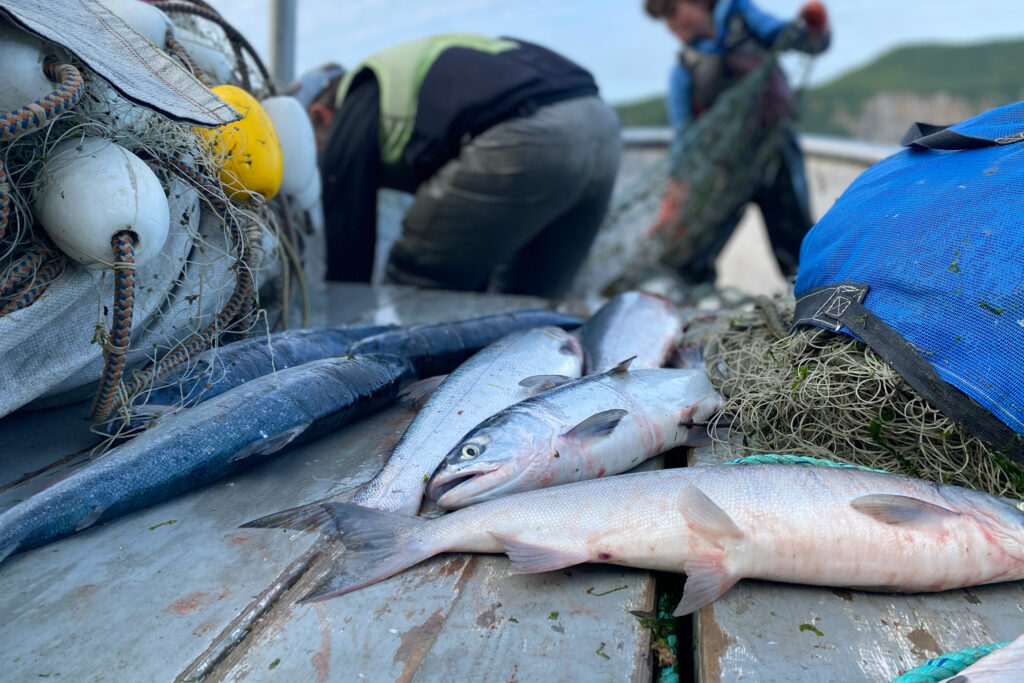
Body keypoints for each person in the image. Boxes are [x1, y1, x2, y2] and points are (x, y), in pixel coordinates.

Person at [293, 34, 622, 298]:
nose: (320, 154)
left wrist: (343, 320)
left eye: (311, 143)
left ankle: (427, 380)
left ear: (320, 117)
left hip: (528, 135)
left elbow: (347, 230)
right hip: (602, 125)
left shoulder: (357, 98)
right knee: (528, 296)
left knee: (417, 279)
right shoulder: (406, 75)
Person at [644, 0, 830, 284]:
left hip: (775, 155)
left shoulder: (742, 18)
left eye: (671, 10)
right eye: (662, 19)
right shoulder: (683, 71)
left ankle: (820, 299)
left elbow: (800, 41)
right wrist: (673, 199)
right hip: (725, 173)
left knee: (798, 246)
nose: (670, 24)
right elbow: (684, 141)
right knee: (691, 253)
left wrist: (816, 27)